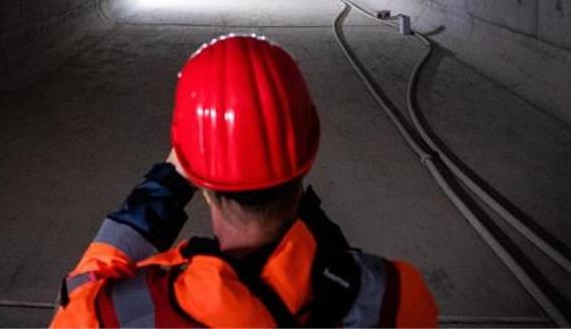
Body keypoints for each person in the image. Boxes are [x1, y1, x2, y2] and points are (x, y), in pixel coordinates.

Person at [49, 34, 438, 327]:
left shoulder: (123, 312)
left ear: (192, 169)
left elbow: (77, 295)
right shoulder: (397, 294)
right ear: (307, 148)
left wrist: (165, 185)